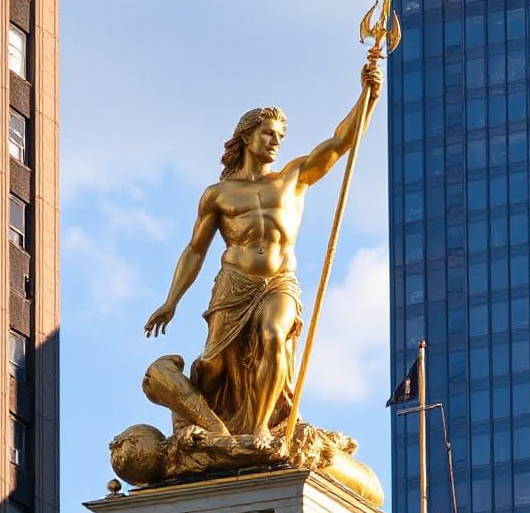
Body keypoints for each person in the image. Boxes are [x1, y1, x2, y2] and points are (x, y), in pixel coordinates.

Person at [144, 61, 383, 439]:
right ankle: (199, 421)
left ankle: (260, 430)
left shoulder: (292, 177)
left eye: (279, 136)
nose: (275, 141)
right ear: (246, 137)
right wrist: (172, 300)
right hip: (233, 284)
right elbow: (195, 249)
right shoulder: (218, 194)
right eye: (268, 133)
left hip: (278, 282)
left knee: (273, 334)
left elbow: (341, 143)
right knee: (211, 368)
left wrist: (367, 98)